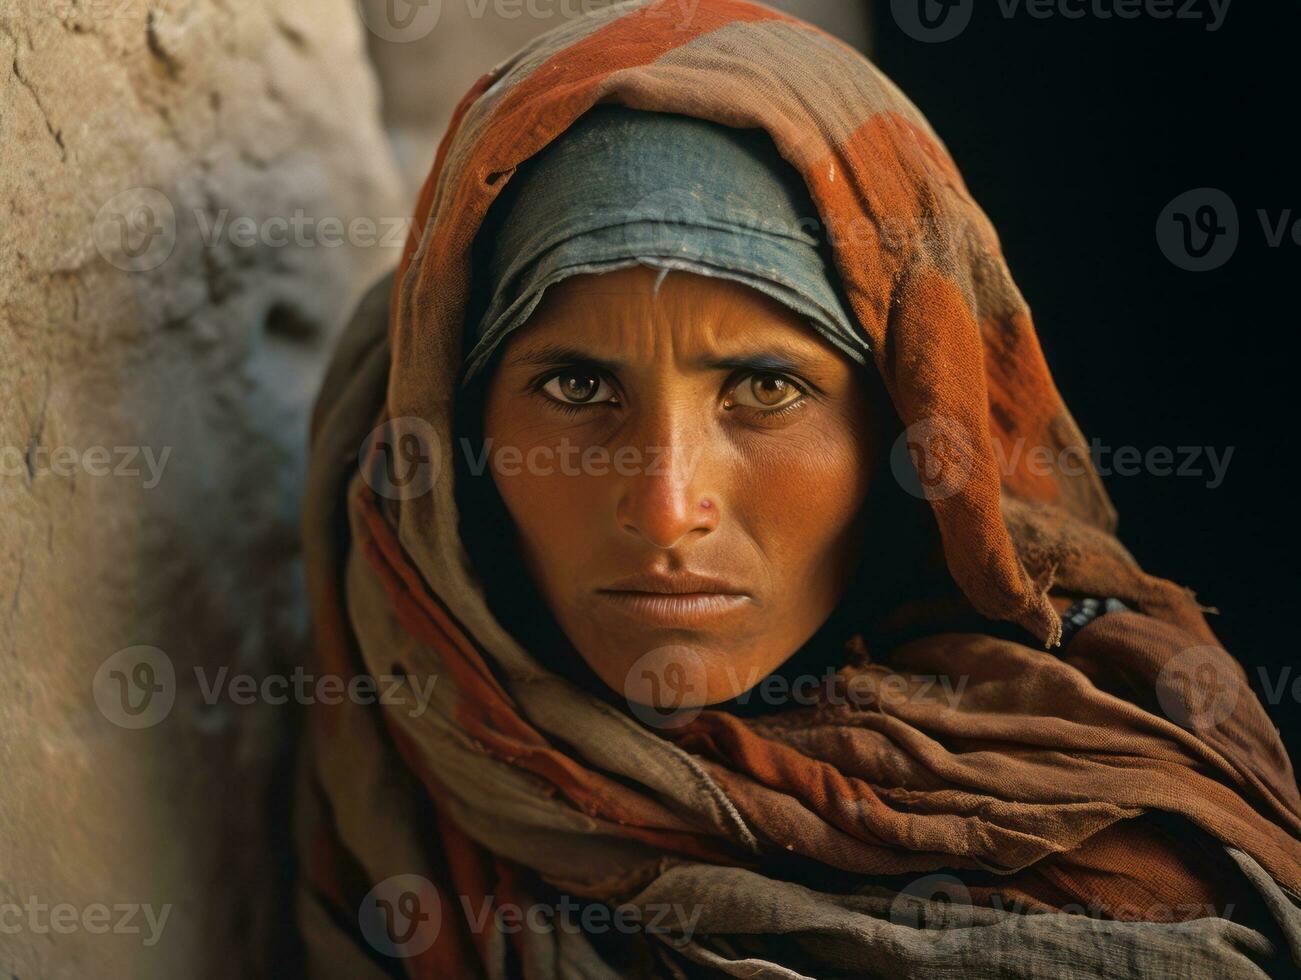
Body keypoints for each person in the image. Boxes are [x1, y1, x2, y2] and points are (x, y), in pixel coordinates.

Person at [296, 2, 1301, 976]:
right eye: (576, 386)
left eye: (765, 389)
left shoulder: (1113, 852)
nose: (663, 505)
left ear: (907, 425)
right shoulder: (407, 730)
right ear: (458, 415)